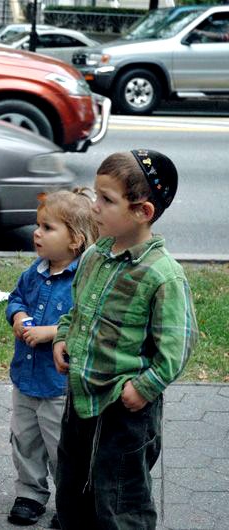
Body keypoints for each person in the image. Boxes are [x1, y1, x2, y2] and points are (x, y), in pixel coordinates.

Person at [52, 150, 199, 529]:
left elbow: (178, 344)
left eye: (106, 199)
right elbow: (77, 310)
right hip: (81, 398)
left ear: (142, 212)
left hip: (125, 408)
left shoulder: (162, 275)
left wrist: (145, 387)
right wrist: (63, 338)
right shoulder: (93, 257)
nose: (94, 206)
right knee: (72, 486)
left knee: (121, 496)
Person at [5, 189, 98, 527]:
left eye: (47, 227)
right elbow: (16, 299)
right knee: (25, 440)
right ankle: (30, 494)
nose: (37, 232)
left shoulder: (83, 281)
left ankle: (69, 501)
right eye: (38, 225)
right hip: (26, 380)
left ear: (76, 240)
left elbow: (86, 323)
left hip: (59, 386)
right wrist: (17, 316)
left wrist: (50, 333)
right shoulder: (34, 272)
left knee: (63, 448)